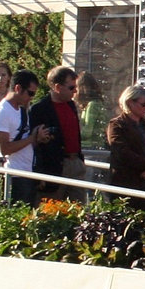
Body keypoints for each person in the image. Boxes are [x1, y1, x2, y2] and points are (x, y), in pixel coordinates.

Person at [0, 70, 48, 203]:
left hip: (27, 172)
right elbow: (4, 148)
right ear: (17, 88)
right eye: (30, 93)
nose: (31, 97)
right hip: (13, 175)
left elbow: (25, 140)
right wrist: (32, 138)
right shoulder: (2, 111)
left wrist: (38, 137)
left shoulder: (21, 109)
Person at [30, 66, 85, 195]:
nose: (75, 91)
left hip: (75, 163)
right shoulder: (39, 109)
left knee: (79, 209)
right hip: (54, 167)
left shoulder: (71, 105)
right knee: (51, 209)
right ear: (57, 87)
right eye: (71, 88)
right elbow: (36, 145)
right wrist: (40, 173)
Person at [107, 85, 145, 193]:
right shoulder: (117, 125)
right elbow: (121, 151)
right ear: (129, 103)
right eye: (143, 105)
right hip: (127, 181)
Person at [76, 71, 110, 147]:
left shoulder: (92, 105)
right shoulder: (97, 103)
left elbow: (87, 132)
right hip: (96, 144)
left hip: (90, 146)